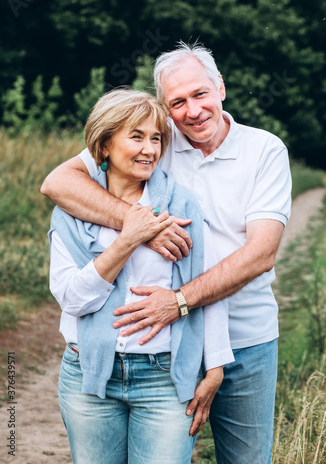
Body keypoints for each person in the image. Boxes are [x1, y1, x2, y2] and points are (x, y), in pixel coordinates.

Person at [42, 42, 292, 464]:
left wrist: (178, 303)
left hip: (245, 338)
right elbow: (58, 183)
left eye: (200, 94)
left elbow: (261, 254)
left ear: (221, 89)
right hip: (168, 346)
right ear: (164, 106)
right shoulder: (151, 139)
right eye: (177, 101)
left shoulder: (264, 150)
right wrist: (140, 226)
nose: (192, 110)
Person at [48, 88, 234, 464]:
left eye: (156, 138)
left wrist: (214, 369)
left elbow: (208, 289)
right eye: (136, 137)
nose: (150, 149)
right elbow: (72, 300)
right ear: (104, 146)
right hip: (88, 374)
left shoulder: (182, 207)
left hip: (163, 379)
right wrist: (130, 237)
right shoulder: (72, 212)